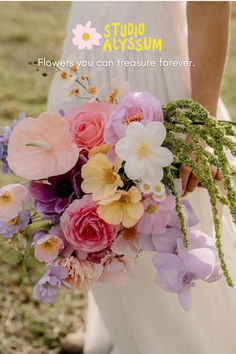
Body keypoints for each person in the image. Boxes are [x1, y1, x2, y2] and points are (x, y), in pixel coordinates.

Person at [48, 2, 236, 353]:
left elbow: (210, 7)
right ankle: (125, 334)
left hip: (148, 67)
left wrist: (199, 129)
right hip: (89, 56)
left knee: (163, 232)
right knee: (100, 224)